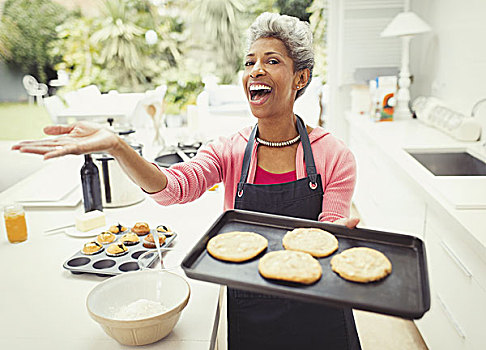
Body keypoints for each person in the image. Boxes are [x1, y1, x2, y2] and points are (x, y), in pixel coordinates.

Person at [13, 12, 360, 350]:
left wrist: (341, 235)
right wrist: (118, 147)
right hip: (253, 306)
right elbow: (173, 188)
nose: (256, 70)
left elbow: (327, 236)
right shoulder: (229, 150)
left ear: (301, 78)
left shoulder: (334, 155)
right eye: (249, 62)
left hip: (318, 307)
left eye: (271, 61)